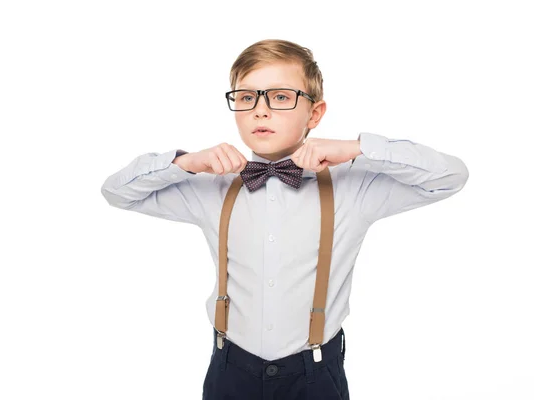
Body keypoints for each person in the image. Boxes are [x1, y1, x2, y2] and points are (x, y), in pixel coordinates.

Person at [101, 38, 469, 400]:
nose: (260, 110)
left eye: (280, 97)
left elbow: (449, 177)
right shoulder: (212, 187)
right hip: (230, 370)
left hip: (315, 374)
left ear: (314, 113)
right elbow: (117, 192)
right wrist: (185, 162)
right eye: (247, 98)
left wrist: (357, 148)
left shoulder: (354, 189)